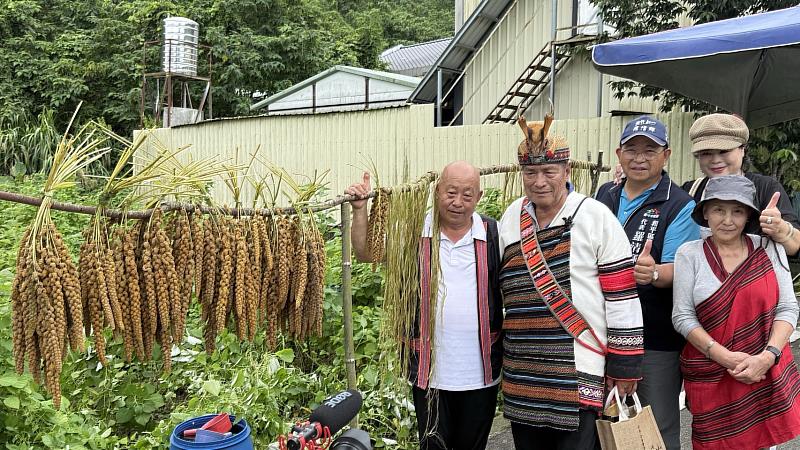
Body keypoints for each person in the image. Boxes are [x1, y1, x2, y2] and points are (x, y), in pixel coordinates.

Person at [497, 115, 644, 450]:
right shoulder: (511, 218)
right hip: (524, 375)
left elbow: (621, 296)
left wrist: (624, 366)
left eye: (549, 171)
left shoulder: (595, 217)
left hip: (578, 373)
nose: (539, 181)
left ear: (566, 171)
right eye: (530, 173)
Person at [345, 161, 503, 450]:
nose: (458, 202)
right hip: (430, 374)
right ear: (437, 191)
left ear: (479, 197)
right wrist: (360, 210)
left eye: (467, 195)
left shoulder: (493, 234)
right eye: (451, 193)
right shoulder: (413, 233)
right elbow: (367, 253)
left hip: (481, 374)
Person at [672, 175, 800, 450]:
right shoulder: (689, 254)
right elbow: (682, 316)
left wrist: (767, 357)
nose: (727, 220)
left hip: (762, 372)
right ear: (706, 212)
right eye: (719, 209)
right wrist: (725, 357)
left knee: (760, 443)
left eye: (737, 211)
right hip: (711, 374)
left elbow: (788, 307)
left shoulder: (768, 248)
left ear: (748, 215)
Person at [595, 116, 699, 450]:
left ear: (666, 155)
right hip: (602, 331)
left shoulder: (679, 204)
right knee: (604, 421)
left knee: (655, 426)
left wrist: (653, 273)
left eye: (650, 151)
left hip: (653, 337)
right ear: (619, 154)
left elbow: (680, 270)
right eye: (632, 150)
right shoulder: (605, 194)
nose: (639, 158)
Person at [681, 113, 800, 256]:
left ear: (742, 149)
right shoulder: (690, 191)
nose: (715, 160)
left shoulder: (766, 189)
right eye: (706, 153)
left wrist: (781, 229)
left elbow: (794, 246)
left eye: (724, 151)